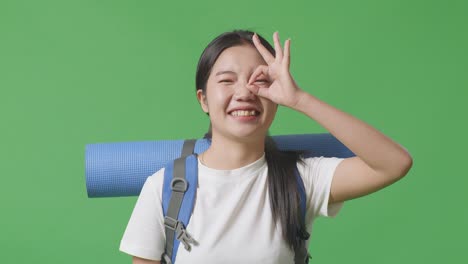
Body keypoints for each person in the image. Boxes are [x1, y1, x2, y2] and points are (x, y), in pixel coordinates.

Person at [119, 29, 413, 264]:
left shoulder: (302, 178)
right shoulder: (165, 188)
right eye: (227, 80)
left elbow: (394, 163)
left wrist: (299, 99)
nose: (245, 92)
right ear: (203, 100)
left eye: (259, 80)